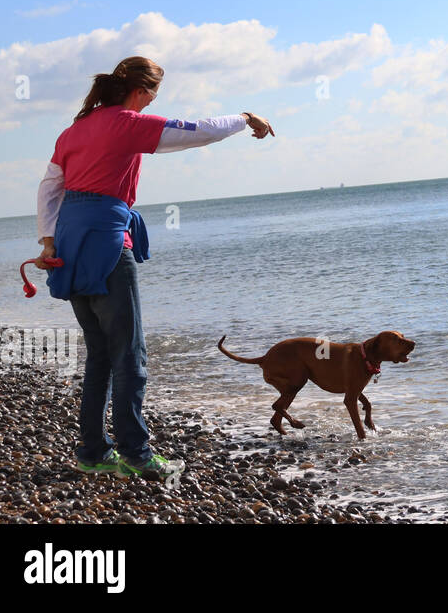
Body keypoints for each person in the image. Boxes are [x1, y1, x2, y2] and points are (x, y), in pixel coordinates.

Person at [33, 56, 275, 480]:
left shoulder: (73, 130)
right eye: (153, 95)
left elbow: (50, 186)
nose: (151, 103)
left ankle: (92, 451)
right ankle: (137, 454)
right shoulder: (127, 123)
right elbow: (198, 131)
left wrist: (48, 240)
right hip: (107, 243)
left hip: (69, 245)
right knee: (131, 354)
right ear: (141, 92)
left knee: (100, 355)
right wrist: (244, 117)